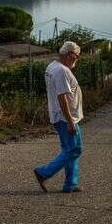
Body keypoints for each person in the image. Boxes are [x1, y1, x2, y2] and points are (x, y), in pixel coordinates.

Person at [34, 41, 83, 193]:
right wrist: (69, 122)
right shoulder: (61, 70)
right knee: (74, 150)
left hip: (61, 116)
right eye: (76, 57)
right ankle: (43, 172)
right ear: (69, 55)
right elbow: (62, 97)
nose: (76, 60)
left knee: (69, 149)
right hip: (65, 118)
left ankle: (71, 183)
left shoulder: (52, 66)